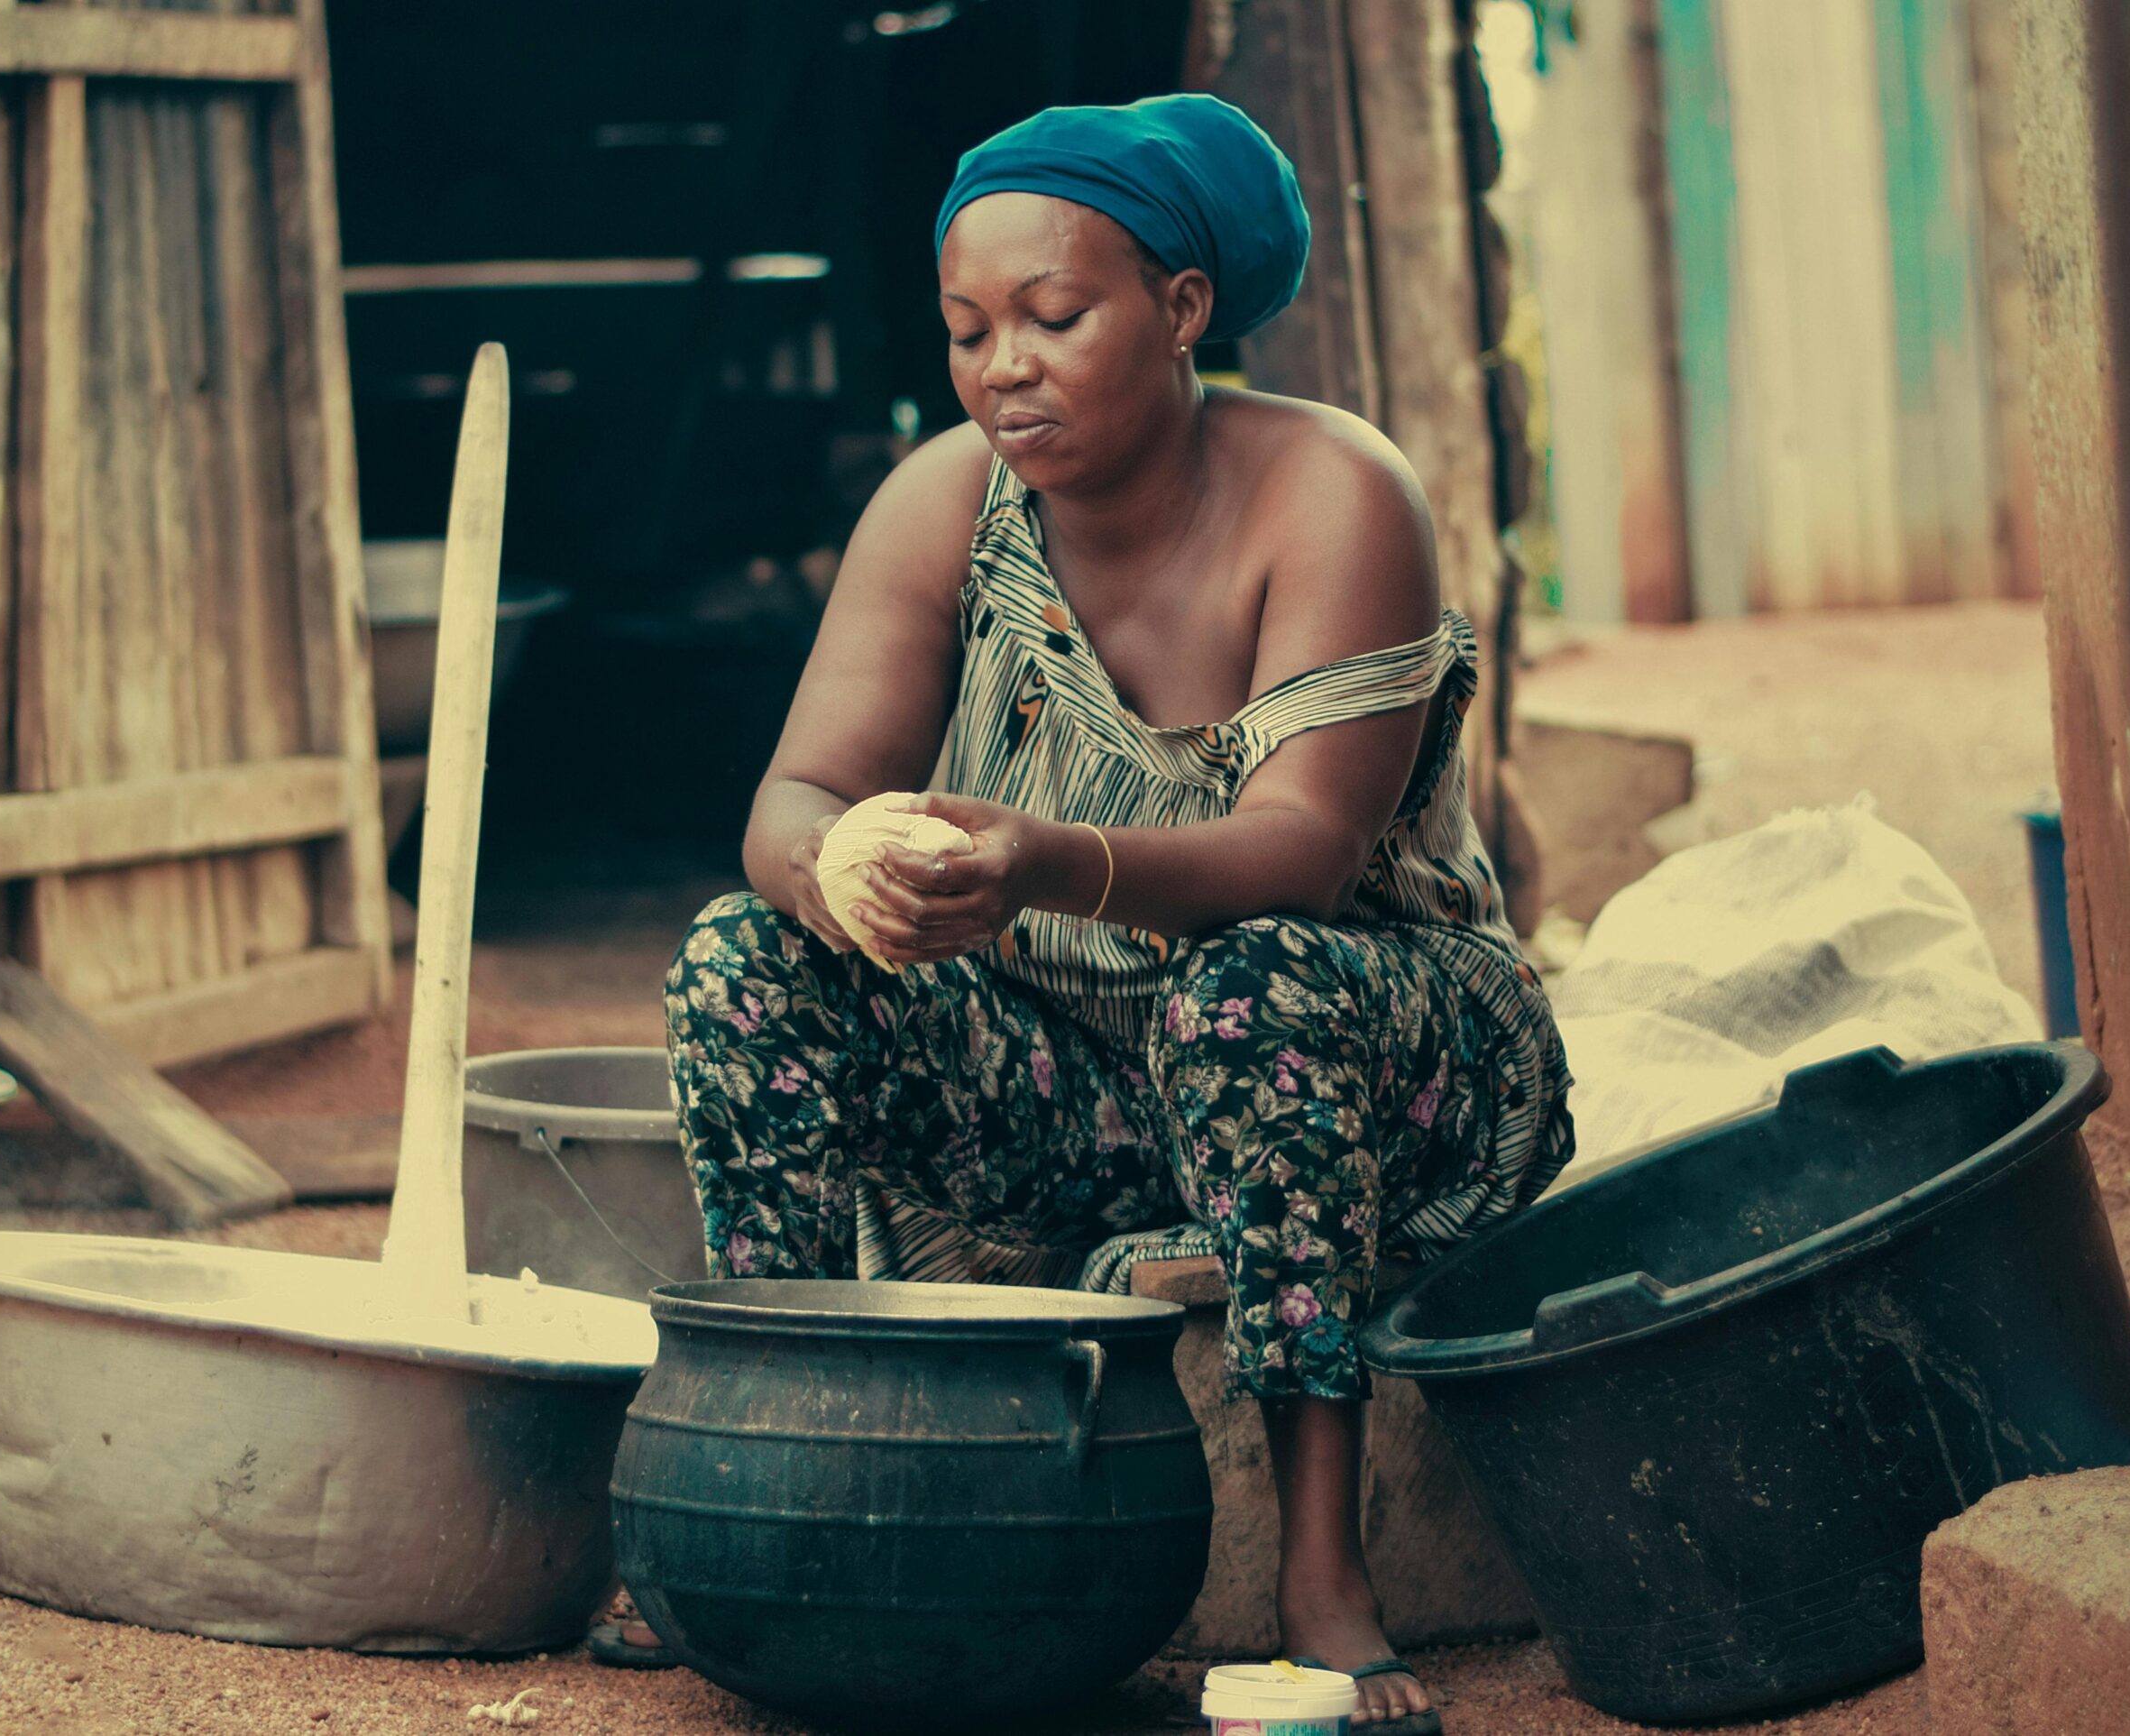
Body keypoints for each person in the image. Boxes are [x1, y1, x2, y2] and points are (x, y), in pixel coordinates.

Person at [620, 95, 1572, 1731]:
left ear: (1184, 309)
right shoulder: (945, 506)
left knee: (1250, 988)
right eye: (969, 329)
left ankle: (1324, 1573)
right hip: (1083, 1078)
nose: (1004, 366)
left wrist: (1047, 860)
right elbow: (793, 799)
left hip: (1383, 1052)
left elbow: (1306, 855)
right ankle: (764, 1466)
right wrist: (841, 871)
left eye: (1056, 317)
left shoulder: (1335, 496)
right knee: (741, 956)